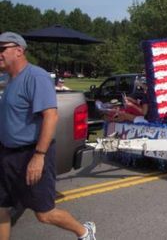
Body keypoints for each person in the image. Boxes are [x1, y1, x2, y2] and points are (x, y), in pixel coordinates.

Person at [0, 32, 96, 240]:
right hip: (7, 155)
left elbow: (51, 116)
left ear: (19, 50)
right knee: (1, 210)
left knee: (44, 214)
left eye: (1, 49)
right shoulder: (10, 80)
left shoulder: (35, 76)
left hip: (30, 154)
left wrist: (39, 156)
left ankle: (85, 232)